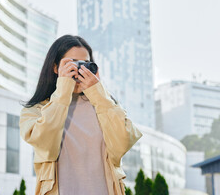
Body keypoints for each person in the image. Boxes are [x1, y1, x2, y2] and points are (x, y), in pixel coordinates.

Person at [19, 35, 143, 195]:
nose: (79, 70)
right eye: (72, 63)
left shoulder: (103, 105)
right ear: (56, 68)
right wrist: (63, 88)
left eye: (84, 64)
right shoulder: (35, 110)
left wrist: (98, 92)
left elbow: (124, 141)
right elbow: (45, 143)